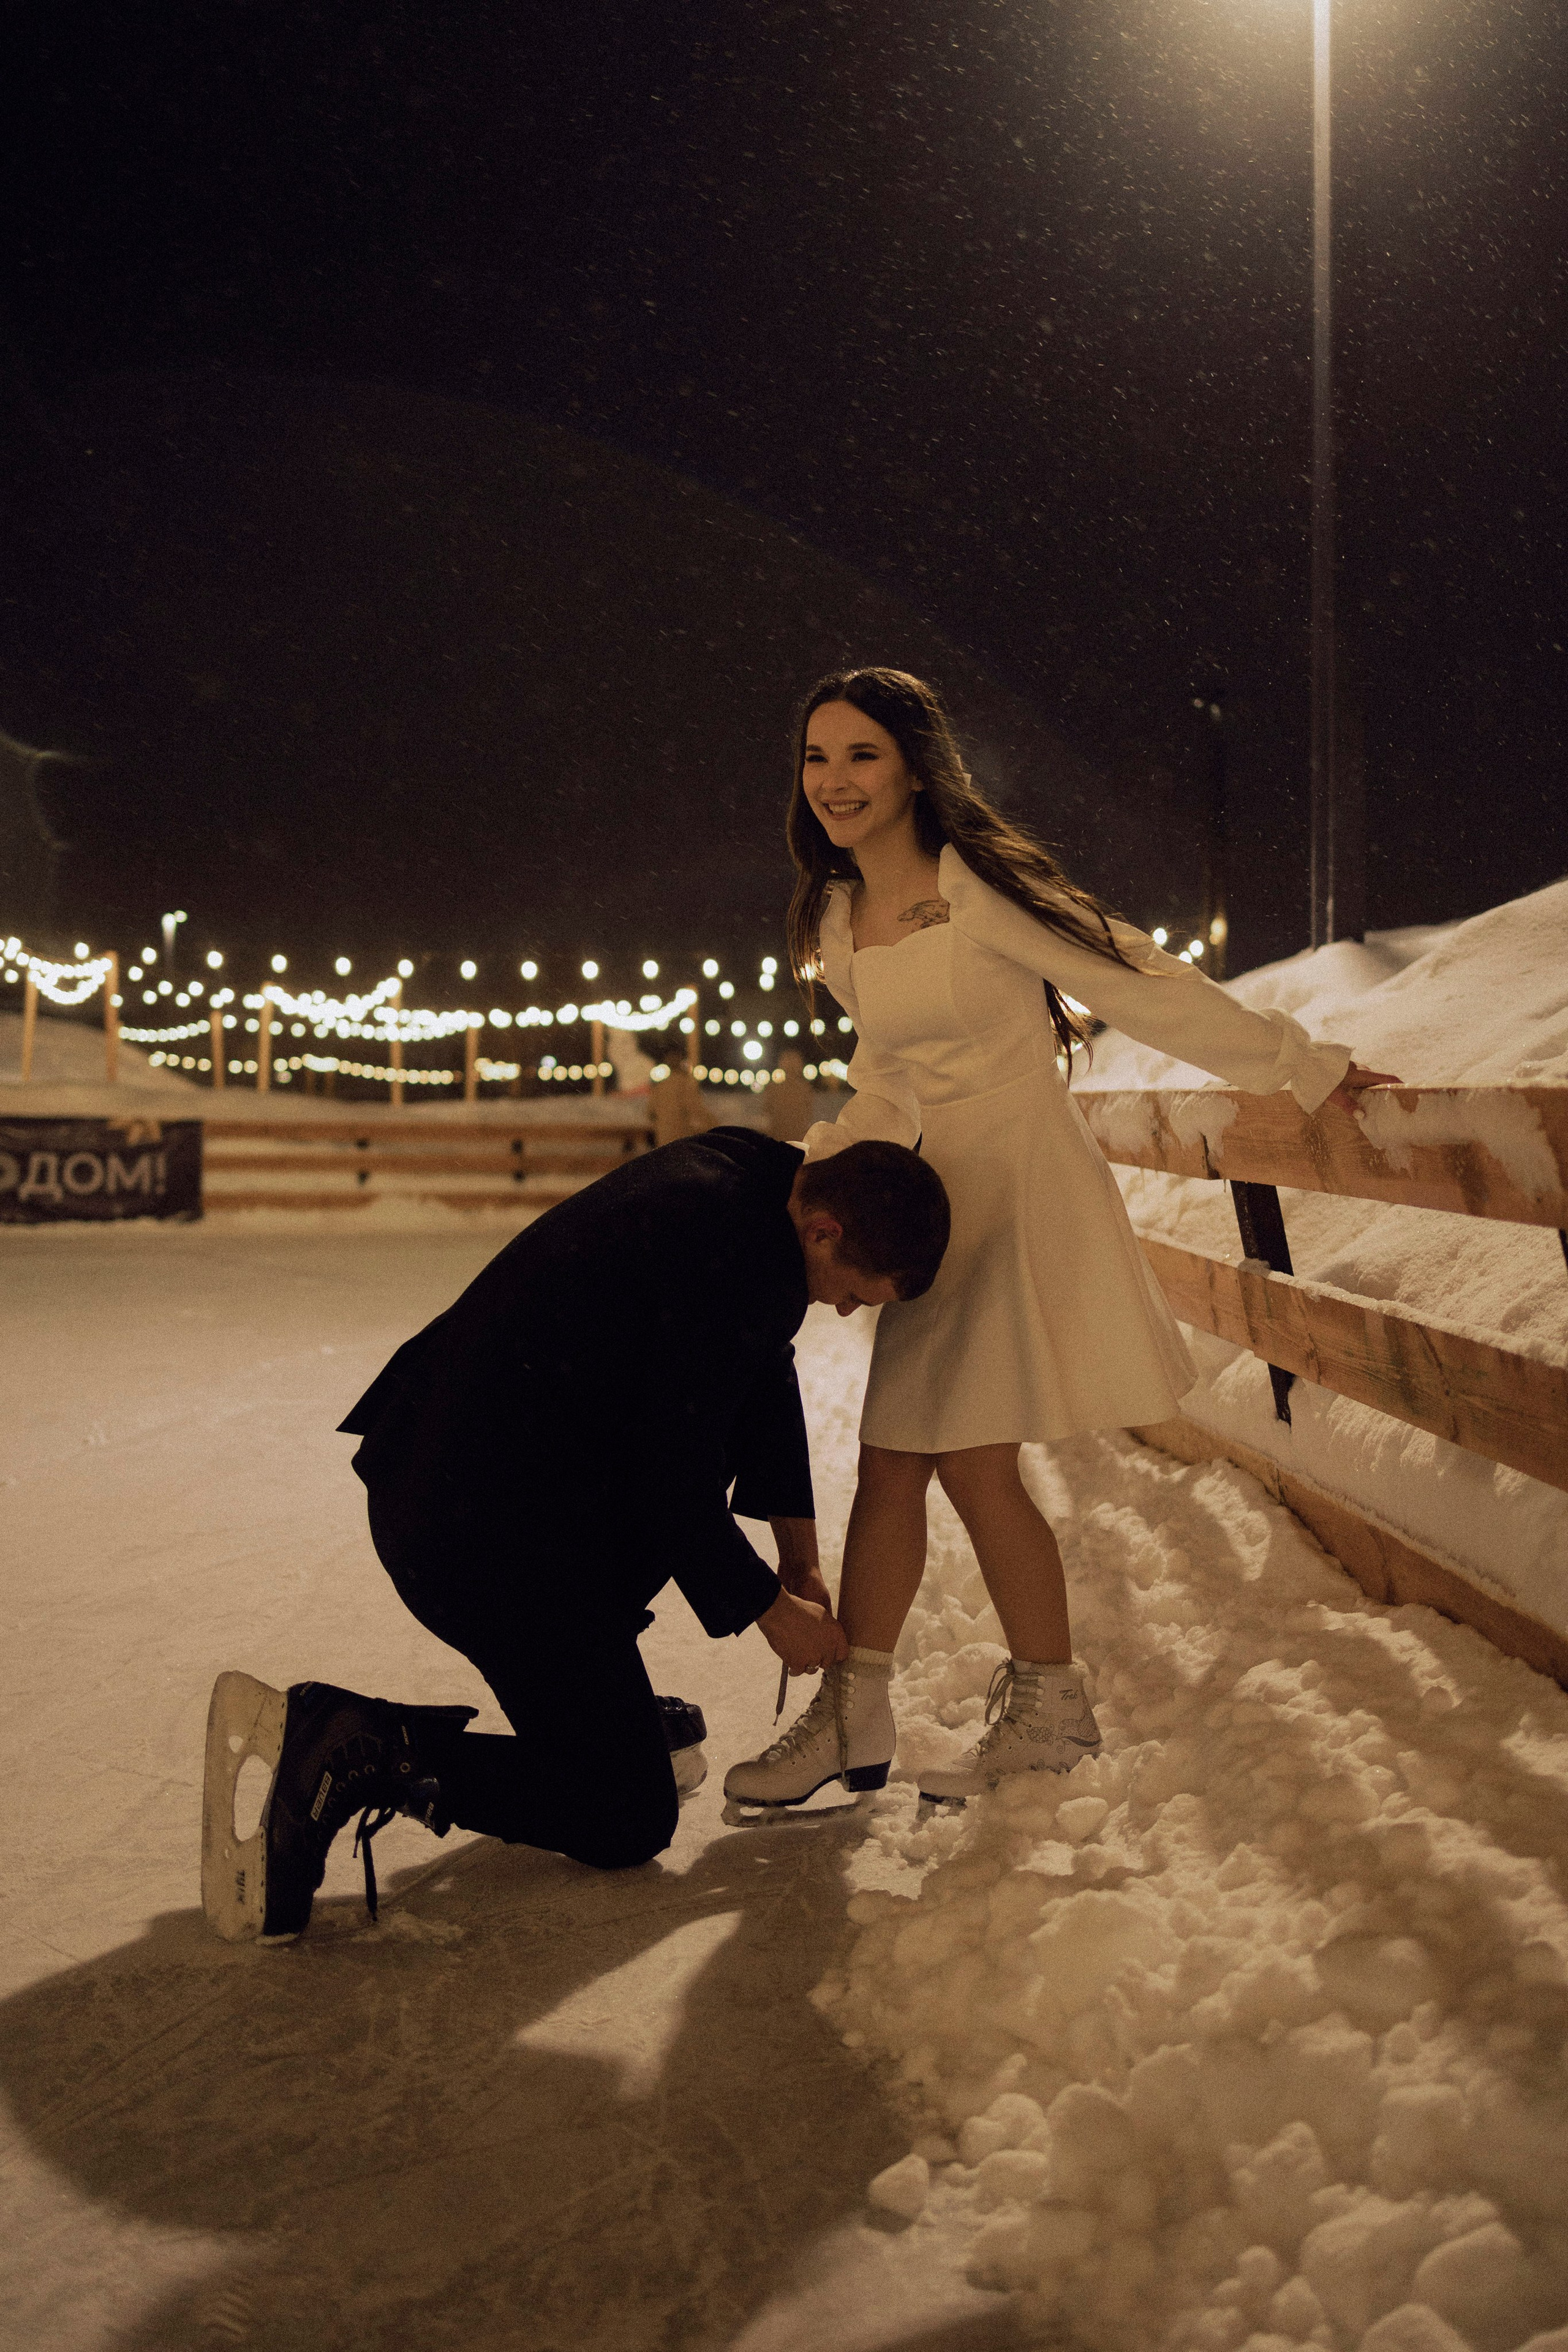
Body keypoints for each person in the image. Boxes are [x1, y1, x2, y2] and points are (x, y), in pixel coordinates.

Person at [723, 668, 1401, 1812]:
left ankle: (1032, 1710)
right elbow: (888, 1073)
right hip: (928, 1209)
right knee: (907, 1459)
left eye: (862, 756)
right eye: (817, 758)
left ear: (913, 767)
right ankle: (883, 1708)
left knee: (963, 1463)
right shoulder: (840, 919)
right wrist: (819, 1181)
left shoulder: (976, 882)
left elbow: (1130, 974)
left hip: (1021, 1186)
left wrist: (1298, 1065)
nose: (834, 782)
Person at [199, 1124, 950, 1943]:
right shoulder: (737, 1256)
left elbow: (762, 1369)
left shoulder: (759, 1178)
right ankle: (356, 1747)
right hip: (480, 1534)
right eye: (851, 1295)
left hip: (462, 1481)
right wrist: (768, 1608)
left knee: (610, 1736)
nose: (840, 1311)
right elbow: (669, 1475)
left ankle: (596, 1720)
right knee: (623, 1814)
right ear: (825, 1231)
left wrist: (797, 1555)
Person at [766, 1046, 821, 1145]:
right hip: (796, 1139)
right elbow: (809, 1113)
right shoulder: (805, 1088)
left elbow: (767, 1110)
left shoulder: (773, 1088)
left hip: (780, 1137)